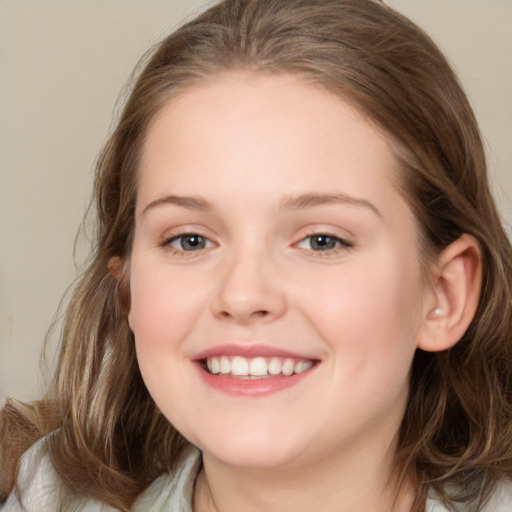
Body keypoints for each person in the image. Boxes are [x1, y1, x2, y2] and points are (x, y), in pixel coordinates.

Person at [1, 0, 511, 510]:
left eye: (321, 240)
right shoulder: (44, 497)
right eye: (190, 240)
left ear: (444, 294)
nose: (243, 295)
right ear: (128, 288)